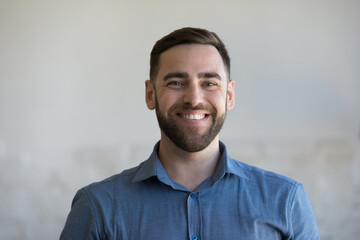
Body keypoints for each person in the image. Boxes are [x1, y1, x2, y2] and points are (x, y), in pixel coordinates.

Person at [60, 27, 319, 240]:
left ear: (229, 95)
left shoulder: (286, 201)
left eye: (209, 83)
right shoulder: (98, 207)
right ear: (151, 95)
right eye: (176, 82)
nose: (194, 99)